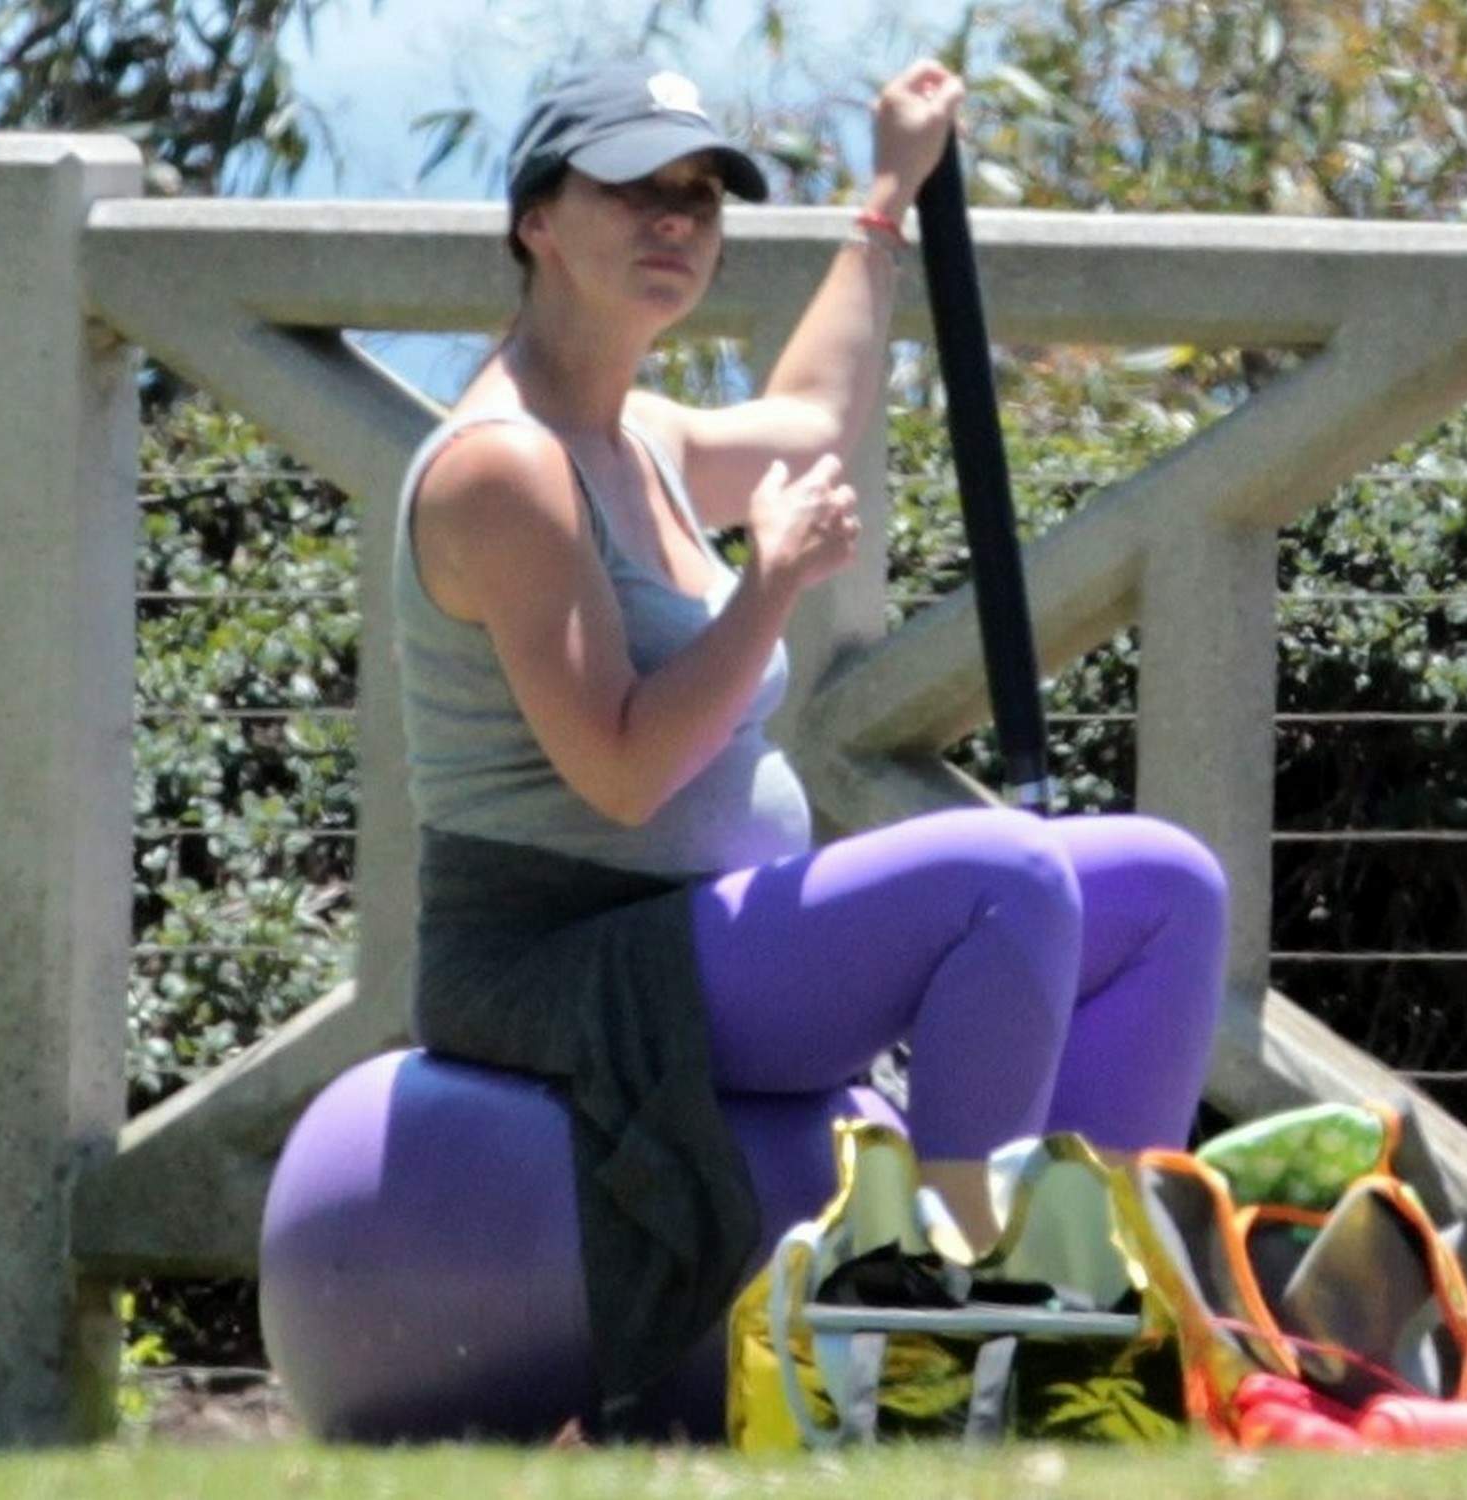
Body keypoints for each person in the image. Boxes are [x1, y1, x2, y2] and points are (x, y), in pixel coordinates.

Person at [391, 56, 1228, 1425]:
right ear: (536, 217)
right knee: (1003, 878)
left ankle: (1089, 1327)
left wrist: (887, 192)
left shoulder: (637, 433)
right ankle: (949, 1338)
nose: (678, 222)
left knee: (1164, 888)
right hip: (570, 960)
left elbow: (812, 422)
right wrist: (771, 582)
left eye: (701, 197)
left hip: (698, 927)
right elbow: (619, 773)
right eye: (635, 191)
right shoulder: (506, 467)